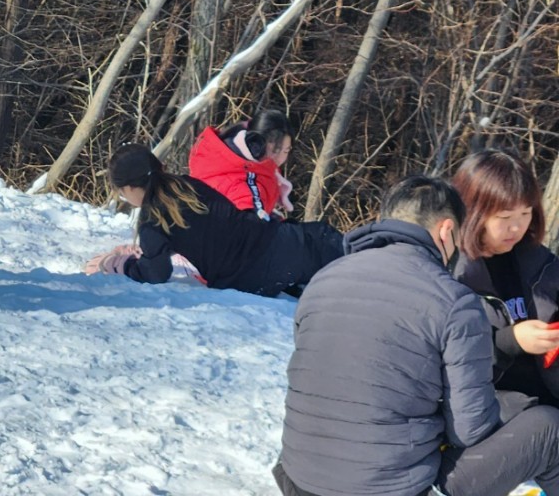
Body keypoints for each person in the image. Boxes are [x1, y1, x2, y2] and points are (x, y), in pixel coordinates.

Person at [275, 175, 559, 496]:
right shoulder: (453, 300)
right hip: (388, 488)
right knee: (549, 429)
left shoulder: (324, 279)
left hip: (299, 477)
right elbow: (471, 429)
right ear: (446, 230)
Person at [84, 144, 342, 298]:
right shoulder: (189, 185)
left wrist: (123, 265)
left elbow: (155, 274)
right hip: (281, 243)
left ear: (130, 187)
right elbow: (211, 227)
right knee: (344, 250)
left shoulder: (153, 222)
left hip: (250, 276)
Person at [451, 148, 559, 406]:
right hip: (492, 404)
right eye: (505, 217)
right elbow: (445, 357)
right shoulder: (450, 274)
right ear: (473, 213)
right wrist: (510, 341)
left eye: (526, 213)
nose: (516, 227)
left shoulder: (537, 259)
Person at [188, 108, 296, 220]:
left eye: (286, 151)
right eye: (276, 150)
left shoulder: (225, 157)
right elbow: (252, 224)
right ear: (257, 142)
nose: (280, 158)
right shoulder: (244, 181)